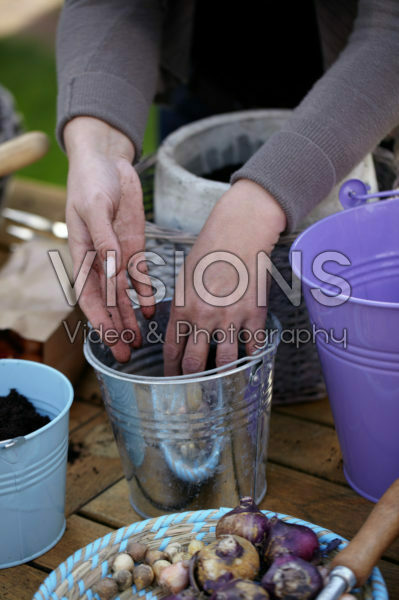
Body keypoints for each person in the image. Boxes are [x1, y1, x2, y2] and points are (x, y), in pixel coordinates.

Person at [56, 0, 399, 375]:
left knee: (340, 358)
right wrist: (98, 148)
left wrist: (256, 206)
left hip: (357, 114)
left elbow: (392, 31)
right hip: (202, 90)